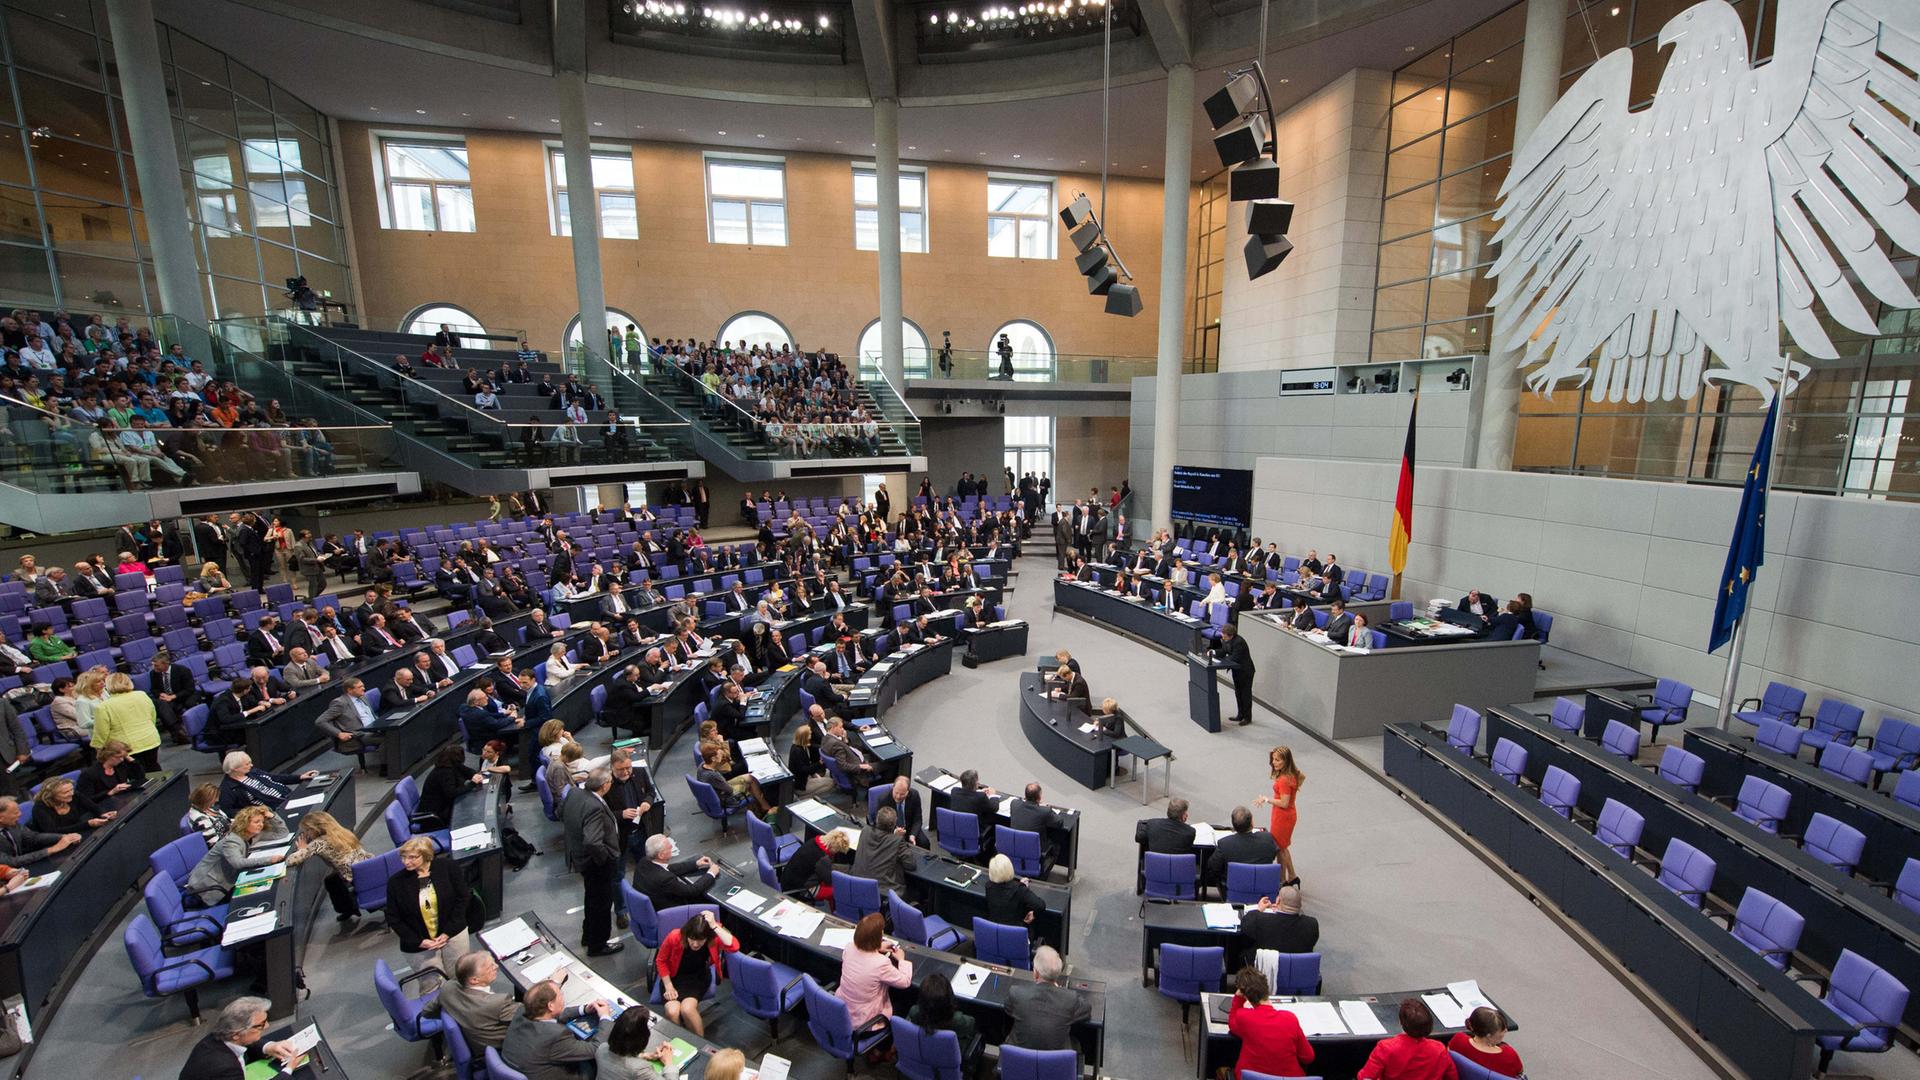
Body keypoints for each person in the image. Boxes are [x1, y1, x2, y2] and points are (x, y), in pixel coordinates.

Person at [385, 836, 471, 976]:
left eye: (413, 857)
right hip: (419, 945)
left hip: (453, 934)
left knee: (462, 977)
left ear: (426, 855)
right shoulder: (395, 883)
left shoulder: (448, 867)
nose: (406, 862)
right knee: (432, 985)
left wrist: (448, 931)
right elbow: (393, 918)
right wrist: (419, 941)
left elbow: (463, 898)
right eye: (403, 857)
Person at [563, 767, 626, 957]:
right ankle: (598, 945)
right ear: (605, 785)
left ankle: (588, 935)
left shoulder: (574, 793)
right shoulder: (594, 806)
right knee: (601, 904)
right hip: (596, 865)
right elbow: (592, 841)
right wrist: (605, 860)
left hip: (580, 857)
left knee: (591, 898)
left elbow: (562, 813)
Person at [501, 979, 612, 1080]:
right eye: (560, 995)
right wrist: (605, 1017)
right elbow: (595, 1049)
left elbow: (550, 1015)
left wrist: (584, 1009)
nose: (562, 997)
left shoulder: (522, 1011)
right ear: (551, 1006)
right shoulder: (555, 1035)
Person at [654, 909, 738, 1037]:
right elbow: (661, 961)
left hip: (697, 978)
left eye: (700, 940)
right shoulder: (674, 936)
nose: (695, 944)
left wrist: (714, 925)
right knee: (672, 1011)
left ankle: (700, 1042)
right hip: (673, 978)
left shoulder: (713, 937)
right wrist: (668, 985)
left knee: (687, 1009)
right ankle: (679, 1041)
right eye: (692, 939)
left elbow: (734, 946)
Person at [177, 996, 299, 1080]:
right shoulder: (227, 1068)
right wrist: (288, 1070)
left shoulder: (215, 1037)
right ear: (236, 1033)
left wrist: (270, 1047)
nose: (267, 1026)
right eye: (260, 1025)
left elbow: (244, 1042)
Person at [1228, 965, 1314, 1079]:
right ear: (1266, 988)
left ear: (1245, 996)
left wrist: (1238, 998)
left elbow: (1232, 1024)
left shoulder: (1244, 1016)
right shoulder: (1290, 1019)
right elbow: (1308, 1057)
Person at [424, 949, 519, 1052]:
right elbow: (531, 1016)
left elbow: (427, 1011)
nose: (496, 967)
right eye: (490, 967)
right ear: (474, 980)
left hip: (474, 1044)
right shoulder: (498, 1002)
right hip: (502, 1049)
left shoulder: (448, 988)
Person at [285, 809, 370, 923]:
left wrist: (302, 849)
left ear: (314, 829)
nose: (307, 834)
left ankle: (349, 907)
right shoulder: (343, 833)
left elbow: (291, 860)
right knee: (331, 880)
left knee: (332, 881)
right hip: (367, 867)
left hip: (354, 875)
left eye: (307, 831)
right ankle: (349, 908)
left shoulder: (319, 843)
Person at [185, 806, 287, 900]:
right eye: (256, 822)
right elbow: (238, 863)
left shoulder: (253, 835)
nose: (261, 825)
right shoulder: (231, 841)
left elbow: (282, 833)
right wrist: (269, 859)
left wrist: (272, 816)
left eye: (262, 821)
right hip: (207, 889)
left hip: (228, 879)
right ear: (245, 823)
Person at [1004, 946, 1091, 1054]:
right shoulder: (1070, 999)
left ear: (1035, 973)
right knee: (1075, 1043)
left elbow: (1008, 1008)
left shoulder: (1017, 993)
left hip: (1018, 1062)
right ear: (1058, 973)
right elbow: (1087, 1011)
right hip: (1054, 1066)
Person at [838, 911, 912, 1031]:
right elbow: (905, 982)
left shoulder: (849, 947)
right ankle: (887, 1046)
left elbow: (862, 956)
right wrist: (901, 960)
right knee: (905, 1002)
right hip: (865, 1022)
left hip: (844, 1011)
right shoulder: (881, 963)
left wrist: (877, 947)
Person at [1358, 998, 1456, 1080]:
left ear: (1400, 1022)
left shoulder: (1386, 1048)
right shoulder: (1439, 1049)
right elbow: (1452, 1077)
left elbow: (1366, 1078)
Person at [90, 671, 162, 770]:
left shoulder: (103, 707)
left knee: (137, 775)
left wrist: (98, 750)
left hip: (126, 747)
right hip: (151, 738)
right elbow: (152, 716)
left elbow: (101, 732)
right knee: (153, 767)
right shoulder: (142, 695)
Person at [1254, 746, 1305, 886]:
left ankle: (1282, 880)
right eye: (1273, 759)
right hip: (1286, 815)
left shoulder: (1283, 780)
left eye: (1277, 760)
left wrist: (1266, 799)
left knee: (1280, 849)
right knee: (1283, 848)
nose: (1274, 762)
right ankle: (1293, 876)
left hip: (1282, 817)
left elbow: (1284, 802)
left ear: (1286, 761)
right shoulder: (1292, 774)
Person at [594, 1005, 683, 1080]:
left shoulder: (602, 1048)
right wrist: (668, 1062)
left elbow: (620, 1059)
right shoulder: (639, 1068)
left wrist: (645, 1055)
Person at [907, 972, 978, 1060]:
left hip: (923, 1054)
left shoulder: (914, 1012)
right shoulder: (959, 1020)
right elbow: (972, 1022)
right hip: (951, 1058)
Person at [634, 833, 716, 908]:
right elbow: (691, 891)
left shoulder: (644, 861)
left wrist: (696, 864)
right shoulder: (665, 879)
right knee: (712, 903)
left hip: (651, 905)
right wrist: (711, 873)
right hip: (670, 911)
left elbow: (668, 868)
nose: (672, 848)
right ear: (661, 855)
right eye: (669, 848)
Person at [1208, 805, 1280, 888]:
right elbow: (1273, 855)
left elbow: (1213, 868)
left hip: (1234, 892)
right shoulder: (1267, 839)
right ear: (1252, 823)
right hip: (1263, 891)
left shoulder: (1224, 844)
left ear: (1234, 826)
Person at [850, 804, 913, 896]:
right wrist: (897, 837)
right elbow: (910, 864)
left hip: (858, 884)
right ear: (894, 824)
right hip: (882, 892)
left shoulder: (865, 831)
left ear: (877, 820)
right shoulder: (897, 840)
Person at [778, 827, 852, 902]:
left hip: (787, 881)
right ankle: (835, 912)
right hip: (801, 890)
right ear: (833, 848)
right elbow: (830, 881)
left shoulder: (813, 841)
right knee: (839, 890)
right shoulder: (822, 859)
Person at [1239, 885, 1319, 954]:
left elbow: (1245, 925)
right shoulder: (1312, 925)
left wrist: (1259, 909)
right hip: (1299, 969)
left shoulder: (1260, 921)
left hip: (1263, 970)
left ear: (1278, 901)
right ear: (1300, 904)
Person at [313, 677, 382, 755]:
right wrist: (339, 734)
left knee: (395, 734)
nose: (363, 688)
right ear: (349, 690)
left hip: (375, 729)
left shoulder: (362, 697)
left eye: (363, 686)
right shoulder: (340, 703)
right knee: (390, 739)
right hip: (359, 735)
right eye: (360, 687)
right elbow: (320, 721)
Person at [1448, 1006, 1523, 1077]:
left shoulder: (1458, 1041)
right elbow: (1519, 1073)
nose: (1506, 1031)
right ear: (1488, 1035)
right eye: (1502, 1030)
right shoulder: (1509, 1055)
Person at [32, 775, 112, 833]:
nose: (71, 793)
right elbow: (53, 831)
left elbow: (92, 806)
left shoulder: (74, 795)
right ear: (51, 795)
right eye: (65, 792)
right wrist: (88, 824)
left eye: (71, 789)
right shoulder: (40, 808)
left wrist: (103, 813)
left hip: (78, 832)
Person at [1213, 621, 1256, 726]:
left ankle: (1247, 717)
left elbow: (1234, 658)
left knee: (1245, 694)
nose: (1222, 637)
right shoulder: (1227, 640)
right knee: (1238, 693)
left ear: (1230, 635)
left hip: (1245, 672)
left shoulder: (1239, 642)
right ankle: (1240, 715)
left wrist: (1222, 662)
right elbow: (1224, 651)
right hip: (1236, 671)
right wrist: (1214, 652)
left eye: (1224, 635)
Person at [986, 853, 1045, 928]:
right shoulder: (1020, 890)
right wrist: (1033, 914)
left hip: (995, 931)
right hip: (1015, 933)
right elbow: (1041, 905)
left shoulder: (988, 886)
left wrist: (1019, 885)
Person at [78, 739, 147, 803]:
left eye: (123, 757)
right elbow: (86, 799)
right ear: (107, 755)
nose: (122, 759)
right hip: (104, 805)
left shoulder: (120, 766)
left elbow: (140, 777)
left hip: (122, 801)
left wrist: (130, 759)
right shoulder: (89, 773)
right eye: (119, 757)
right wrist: (111, 792)